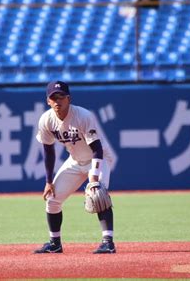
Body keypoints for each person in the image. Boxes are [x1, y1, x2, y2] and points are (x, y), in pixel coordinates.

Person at [34, 81, 116, 254]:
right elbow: (49, 152)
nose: (57, 101)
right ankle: (55, 244)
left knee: (98, 194)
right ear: (48, 101)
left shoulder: (83, 116)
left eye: (61, 96)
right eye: (53, 98)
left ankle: (108, 242)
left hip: (99, 159)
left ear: (68, 98)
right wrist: (49, 181)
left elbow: (97, 149)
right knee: (52, 199)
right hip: (75, 161)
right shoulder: (46, 120)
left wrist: (94, 177)